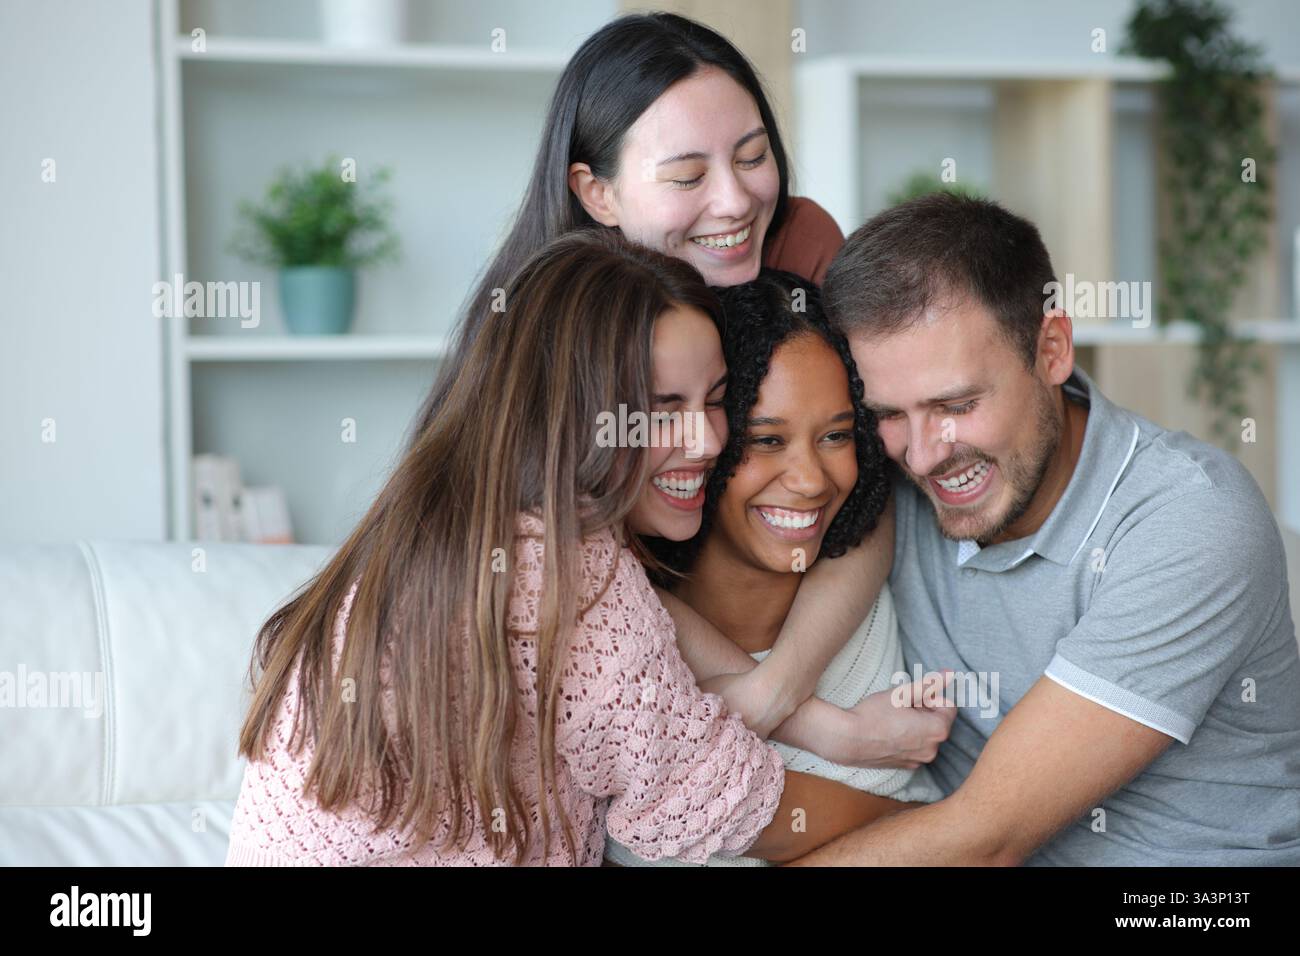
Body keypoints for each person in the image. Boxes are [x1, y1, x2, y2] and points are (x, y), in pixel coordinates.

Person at [224, 230, 910, 866]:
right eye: (662, 407)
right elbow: (747, 809)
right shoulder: (573, 579)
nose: (705, 441)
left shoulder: (441, 527)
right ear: (575, 413)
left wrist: (806, 712)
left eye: (714, 402)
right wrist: (961, 826)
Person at [407, 10, 947, 770]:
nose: (733, 203)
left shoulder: (798, 241)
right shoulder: (559, 326)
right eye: (687, 176)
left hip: (773, 651)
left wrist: (775, 692)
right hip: (628, 668)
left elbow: (862, 475)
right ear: (596, 193)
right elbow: (589, 572)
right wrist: (814, 726)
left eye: (753, 156)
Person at [791, 192, 1300, 865]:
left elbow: (986, 837)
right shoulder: (884, 482)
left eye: (957, 404)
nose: (923, 454)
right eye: (889, 414)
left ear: (1053, 349)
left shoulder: (1189, 519)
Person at [604, 269, 947, 867]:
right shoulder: (613, 642)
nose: (813, 480)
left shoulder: (870, 591)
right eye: (765, 440)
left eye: (837, 435)